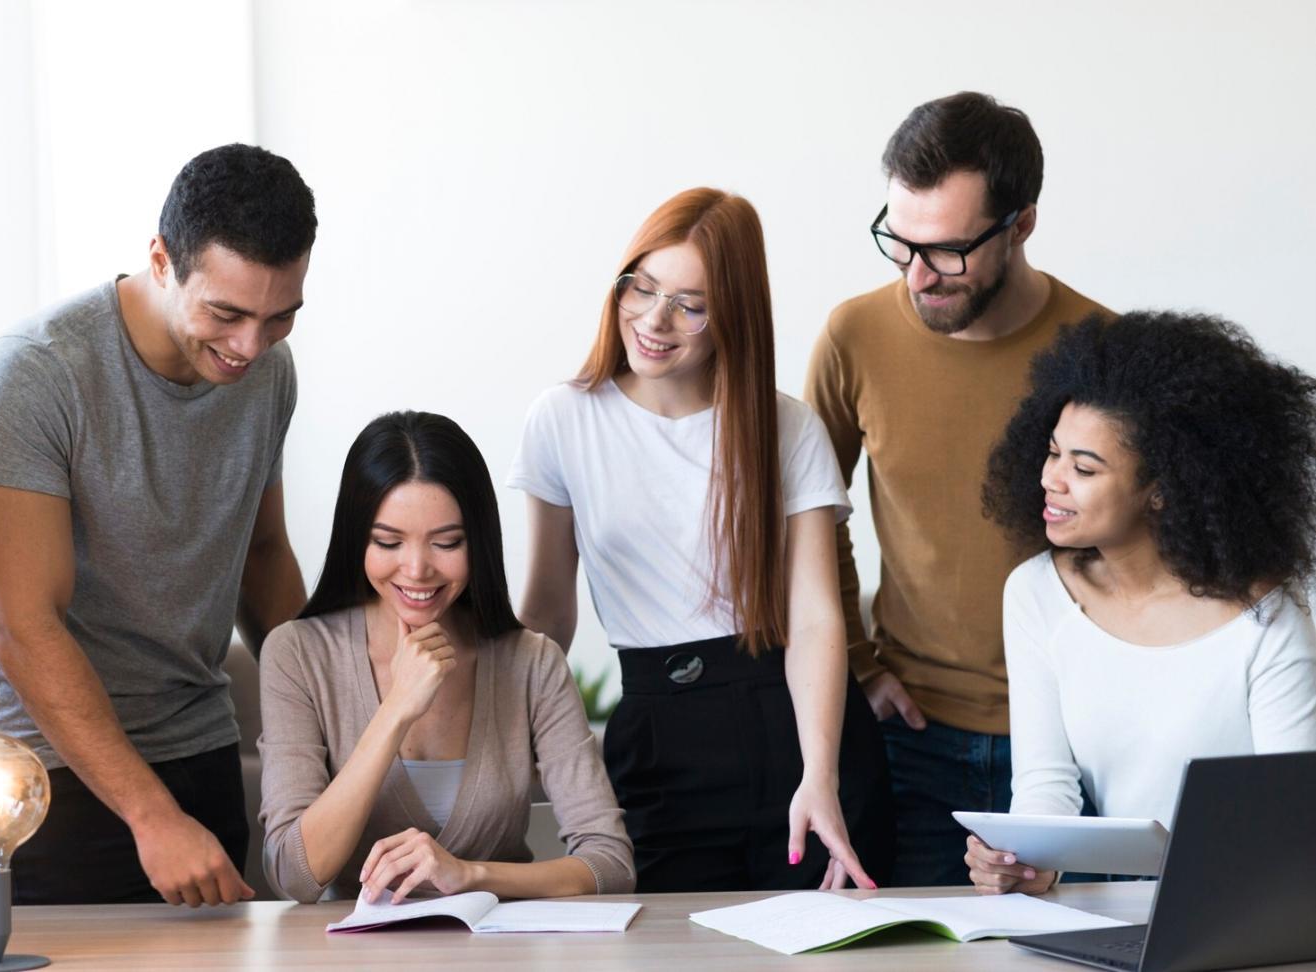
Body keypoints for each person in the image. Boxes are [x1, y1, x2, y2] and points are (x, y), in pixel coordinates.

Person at [0, 143, 315, 906]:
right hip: (48, 768)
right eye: (226, 314)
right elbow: (19, 623)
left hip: (198, 741)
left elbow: (262, 554)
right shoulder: (32, 375)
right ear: (160, 260)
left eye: (280, 317)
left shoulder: (265, 373)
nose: (250, 346)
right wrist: (151, 816)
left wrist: (335, 720)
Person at [511, 187, 895, 893]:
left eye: (691, 304)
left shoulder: (787, 428)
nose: (655, 320)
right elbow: (545, 615)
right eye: (642, 287)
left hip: (793, 727)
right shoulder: (562, 419)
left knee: (819, 938)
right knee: (665, 938)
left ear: (735, 317)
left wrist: (820, 775)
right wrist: (496, 734)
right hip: (659, 731)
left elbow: (815, 617)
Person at [804, 92, 1110, 886]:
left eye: (945, 251)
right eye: (899, 243)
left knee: (1080, 942)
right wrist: (861, 665)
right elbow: (807, 521)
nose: (916, 275)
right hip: (911, 736)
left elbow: (1147, 547)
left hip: (1081, 732)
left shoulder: (1103, 349)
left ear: (1020, 224)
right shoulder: (852, 336)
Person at [969, 311, 1316, 893]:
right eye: (1053, 453)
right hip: (1121, 901)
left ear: (1161, 490)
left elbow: (1293, 816)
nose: (1052, 479)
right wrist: (1025, 860)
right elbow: (1045, 784)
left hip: (1249, 896)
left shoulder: (1268, 616)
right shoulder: (1036, 592)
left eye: (1084, 468)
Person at [258, 411, 633, 904]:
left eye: (447, 543)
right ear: (357, 540)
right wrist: (396, 708)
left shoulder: (531, 662)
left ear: (478, 541)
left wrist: (469, 875)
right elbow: (294, 875)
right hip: (352, 943)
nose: (417, 569)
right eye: (388, 542)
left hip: (498, 942)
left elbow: (610, 863)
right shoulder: (298, 654)